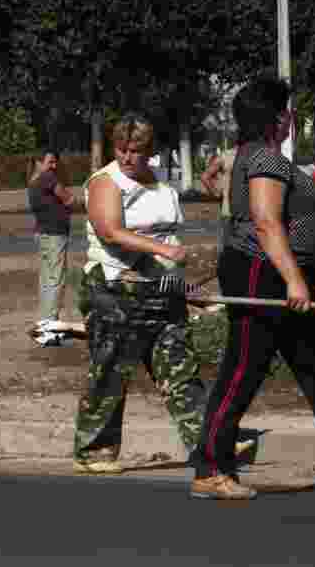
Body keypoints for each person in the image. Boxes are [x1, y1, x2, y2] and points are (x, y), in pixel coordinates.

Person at [190, 76, 315, 500]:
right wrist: (294, 279)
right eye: (288, 109)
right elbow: (265, 220)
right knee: (244, 367)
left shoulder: (267, 158)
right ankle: (210, 466)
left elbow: (288, 213)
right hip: (262, 274)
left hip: (281, 275)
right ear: (277, 116)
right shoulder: (264, 158)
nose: (292, 116)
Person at [73, 115, 211, 474]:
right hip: (115, 289)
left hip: (162, 291)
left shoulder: (161, 186)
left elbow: (171, 241)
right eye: (121, 149)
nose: (127, 157)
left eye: (135, 151)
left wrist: (184, 286)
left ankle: (208, 440)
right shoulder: (107, 182)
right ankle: (94, 450)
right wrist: (160, 251)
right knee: (111, 369)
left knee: (180, 365)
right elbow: (110, 231)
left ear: (150, 151)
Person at [28, 148, 78, 346]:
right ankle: (49, 328)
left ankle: (45, 324)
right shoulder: (48, 178)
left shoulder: (32, 180)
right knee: (55, 280)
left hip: (43, 234)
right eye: (50, 162)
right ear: (39, 162)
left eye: (55, 162)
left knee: (47, 280)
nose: (54, 166)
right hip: (54, 234)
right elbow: (69, 199)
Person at [200, 145, 238, 255]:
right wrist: (216, 193)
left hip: (248, 211)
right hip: (230, 210)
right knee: (228, 245)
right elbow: (205, 176)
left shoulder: (256, 153)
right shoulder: (226, 155)